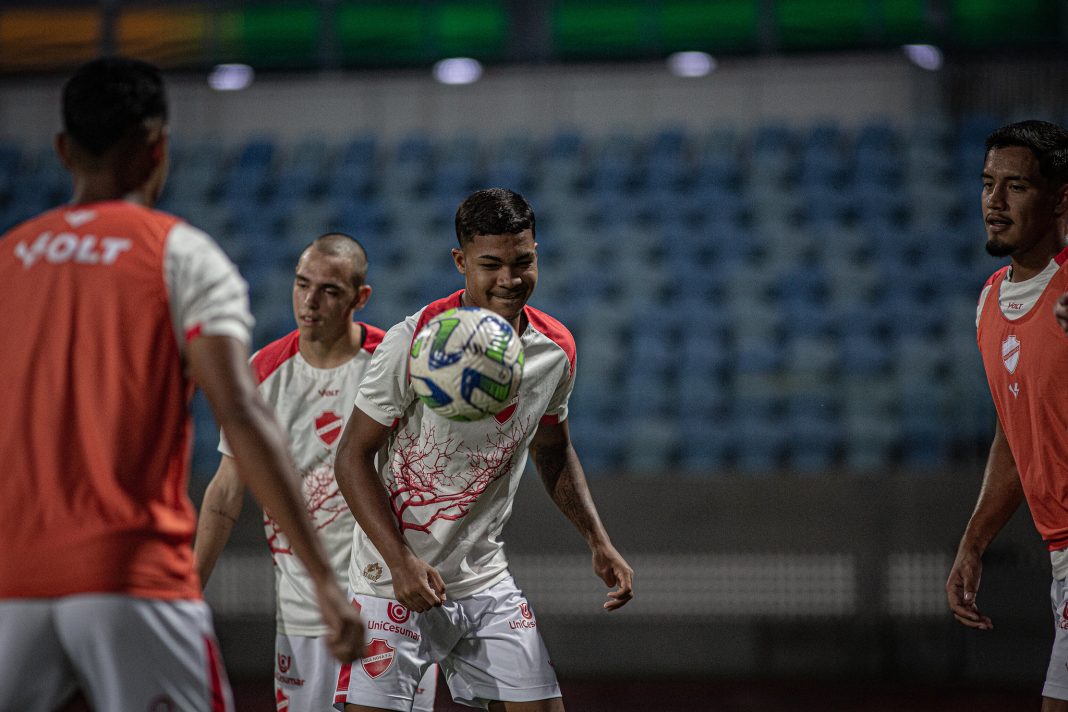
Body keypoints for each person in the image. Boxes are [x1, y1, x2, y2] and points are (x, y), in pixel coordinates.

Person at [0, 56, 363, 711]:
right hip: (130, 578)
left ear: (62, 149)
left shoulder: (8, 257)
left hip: (10, 586)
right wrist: (325, 580)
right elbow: (245, 418)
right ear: (158, 148)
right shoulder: (181, 255)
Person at [333, 187, 634, 712]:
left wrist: (597, 540)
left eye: (524, 262)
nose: (510, 280)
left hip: (482, 577)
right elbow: (351, 458)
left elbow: (553, 450)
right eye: (490, 264)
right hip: (390, 581)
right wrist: (401, 563)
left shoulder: (554, 350)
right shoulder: (415, 340)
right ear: (460, 261)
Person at [194, 232, 437, 711]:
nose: (310, 301)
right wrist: (187, 591)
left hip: (388, 599)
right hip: (304, 609)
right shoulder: (261, 374)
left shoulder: (395, 363)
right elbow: (225, 495)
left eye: (329, 290)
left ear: (359, 298)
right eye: (302, 284)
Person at [947, 119, 1068, 711]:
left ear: (1059, 199)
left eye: (1015, 187)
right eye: (987, 184)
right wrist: (975, 541)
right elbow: (1017, 428)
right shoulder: (990, 303)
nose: (993, 203)